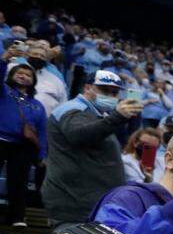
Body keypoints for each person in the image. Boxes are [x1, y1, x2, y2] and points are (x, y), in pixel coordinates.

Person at [42, 70, 143, 224]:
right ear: (88, 88)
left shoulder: (99, 115)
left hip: (89, 204)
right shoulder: (72, 109)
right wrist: (117, 117)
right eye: (104, 90)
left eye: (114, 92)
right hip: (74, 205)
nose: (110, 96)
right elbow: (78, 135)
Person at [0, 51, 47, 227]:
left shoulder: (37, 105)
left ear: (33, 81)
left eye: (28, 75)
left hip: (22, 146)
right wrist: (4, 60)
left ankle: (17, 218)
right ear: (11, 75)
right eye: (19, 72)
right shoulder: (3, 92)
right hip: (0, 139)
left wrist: (42, 154)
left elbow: (42, 131)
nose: (23, 76)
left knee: (19, 182)